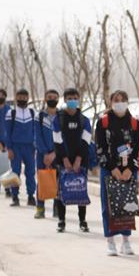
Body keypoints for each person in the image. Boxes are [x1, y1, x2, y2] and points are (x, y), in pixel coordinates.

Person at [95, 90, 139, 256]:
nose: (120, 103)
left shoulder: (135, 124)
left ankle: (126, 241)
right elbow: (100, 148)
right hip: (109, 170)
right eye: (116, 100)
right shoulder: (103, 122)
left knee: (127, 205)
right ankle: (110, 241)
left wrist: (130, 168)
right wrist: (112, 168)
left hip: (129, 171)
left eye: (123, 100)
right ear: (111, 102)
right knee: (108, 206)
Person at [52, 88, 92, 233]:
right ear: (65, 100)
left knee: (80, 189)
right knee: (61, 190)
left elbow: (86, 141)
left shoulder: (84, 120)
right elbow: (57, 140)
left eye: (75, 98)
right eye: (69, 98)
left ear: (78, 99)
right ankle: (61, 220)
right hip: (62, 160)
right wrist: (65, 159)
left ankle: (82, 221)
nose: (72, 100)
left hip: (81, 161)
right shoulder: (58, 119)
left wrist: (78, 159)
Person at [6, 88, 37, 207]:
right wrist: (9, 148)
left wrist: (35, 146)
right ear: (16, 98)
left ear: (28, 98)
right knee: (15, 172)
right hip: (16, 147)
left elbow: (35, 131)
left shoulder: (33, 113)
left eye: (24, 97)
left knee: (30, 172)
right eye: (20, 97)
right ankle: (15, 197)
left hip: (29, 147)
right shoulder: (11, 113)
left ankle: (31, 196)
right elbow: (7, 132)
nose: (22, 99)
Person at [34, 89, 60, 219]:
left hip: (58, 154)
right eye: (50, 97)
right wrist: (45, 153)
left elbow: (64, 137)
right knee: (42, 180)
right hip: (42, 155)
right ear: (45, 99)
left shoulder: (62, 116)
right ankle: (40, 208)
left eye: (55, 97)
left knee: (58, 180)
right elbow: (37, 136)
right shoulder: (39, 116)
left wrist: (55, 153)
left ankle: (57, 208)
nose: (52, 99)